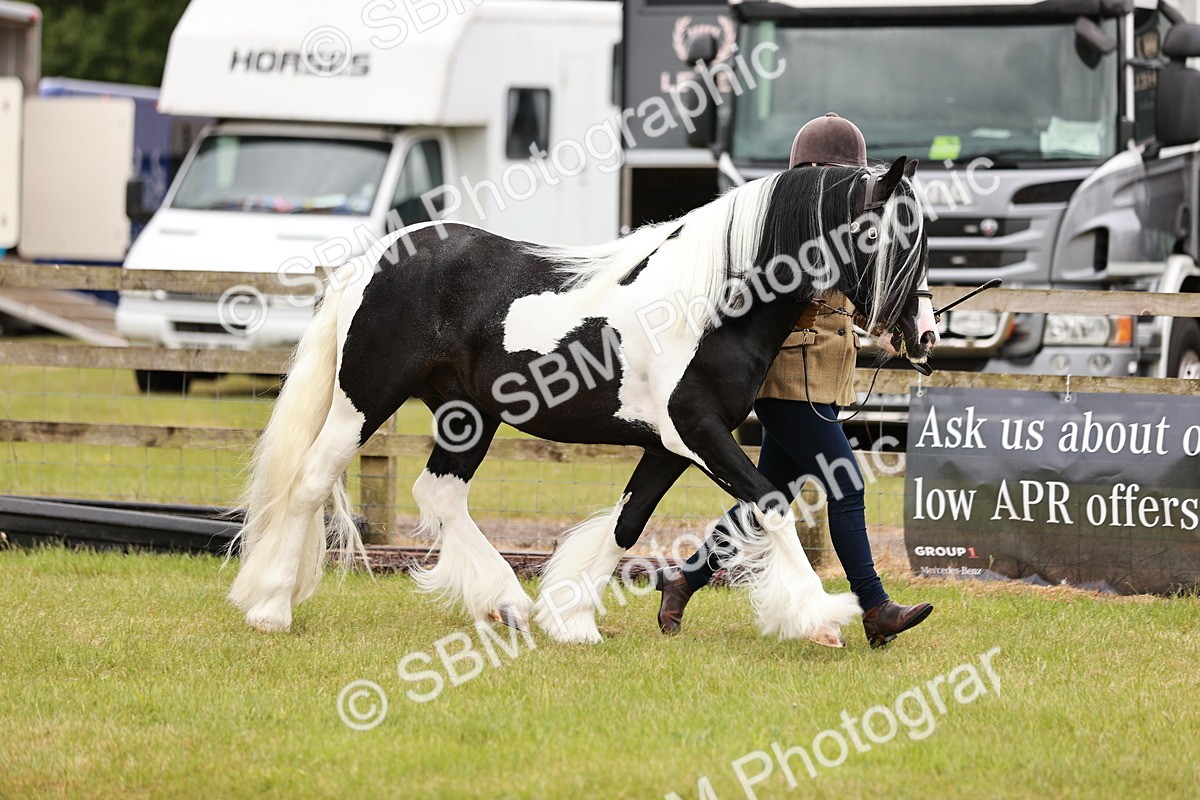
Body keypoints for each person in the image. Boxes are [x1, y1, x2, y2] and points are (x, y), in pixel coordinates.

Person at [654, 113, 934, 648]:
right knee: (846, 485)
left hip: (820, 381)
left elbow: (849, 294)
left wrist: (884, 325)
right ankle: (875, 607)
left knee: (769, 502)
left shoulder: (837, 227)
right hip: (788, 383)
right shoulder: (792, 226)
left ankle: (684, 578)